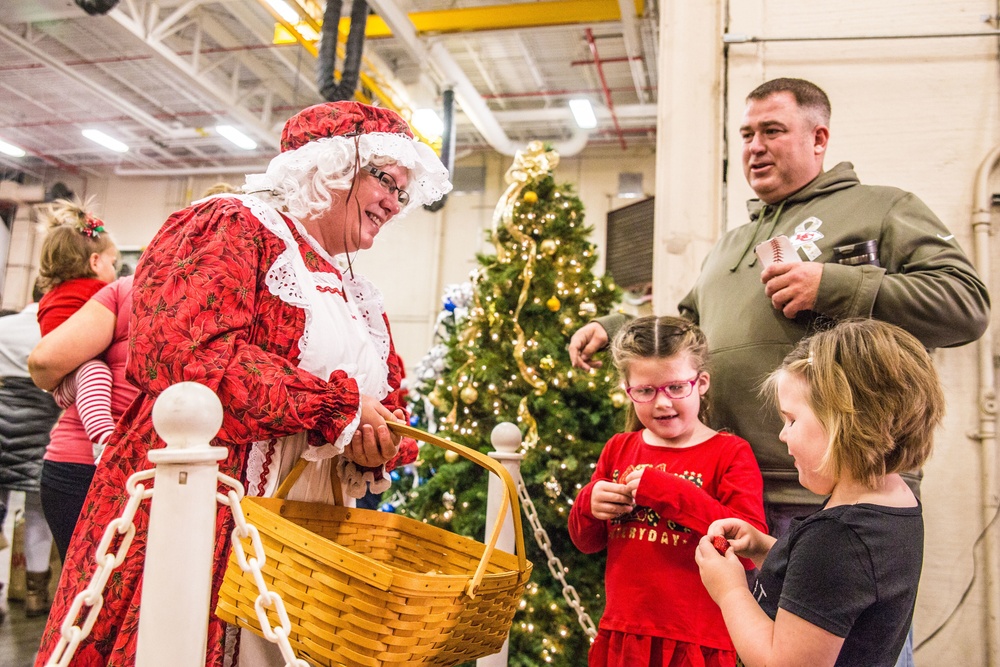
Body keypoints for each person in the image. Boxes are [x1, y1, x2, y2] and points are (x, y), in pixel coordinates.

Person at [35, 100, 452, 667]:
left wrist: (374, 443)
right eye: (387, 181)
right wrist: (335, 408)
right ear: (331, 166)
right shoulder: (232, 224)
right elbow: (181, 353)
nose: (394, 204)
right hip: (208, 503)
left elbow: (384, 399)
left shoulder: (353, 288)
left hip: (307, 534)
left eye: (404, 192)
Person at [569, 77, 989, 535]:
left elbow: (965, 304)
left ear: (818, 138)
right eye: (747, 134)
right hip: (726, 489)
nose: (755, 146)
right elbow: (687, 339)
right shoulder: (729, 246)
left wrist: (836, 285)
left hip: (835, 490)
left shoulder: (882, 208)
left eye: (772, 131)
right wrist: (618, 327)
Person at [695, 318, 943, 667]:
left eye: (792, 420)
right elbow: (831, 592)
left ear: (848, 424)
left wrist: (730, 589)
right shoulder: (891, 502)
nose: (783, 435)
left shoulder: (838, 540)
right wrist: (765, 548)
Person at [568, 315, 766, 667]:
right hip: (624, 636)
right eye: (645, 391)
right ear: (627, 389)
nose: (662, 402)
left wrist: (666, 491)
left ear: (701, 382)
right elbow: (587, 541)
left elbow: (748, 548)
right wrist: (589, 503)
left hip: (698, 642)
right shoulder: (618, 447)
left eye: (676, 387)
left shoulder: (730, 452)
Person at [30, 199, 123, 561]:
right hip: (78, 379)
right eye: (113, 263)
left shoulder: (53, 294)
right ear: (95, 262)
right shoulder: (95, 295)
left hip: (67, 388)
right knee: (95, 370)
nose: (116, 272)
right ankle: (103, 435)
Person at [0, 285, 62, 620]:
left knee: (2, 512)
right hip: (41, 427)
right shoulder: (57, 330)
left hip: (1, 425)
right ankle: (36, 597)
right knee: (38, 512)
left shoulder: (2, 327)